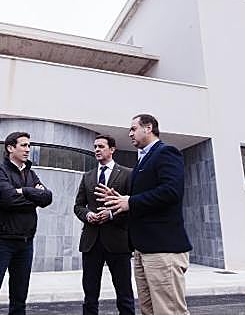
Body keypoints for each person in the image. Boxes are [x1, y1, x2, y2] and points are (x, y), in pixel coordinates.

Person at [97, 114, 192, 315]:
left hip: (163, 249)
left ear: (148, 128)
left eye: (133, 129)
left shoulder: (166, 152)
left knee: (168, 311)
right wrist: (120, 201)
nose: (130, 134)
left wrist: (130, 201)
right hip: (142, 250)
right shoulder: (142, 160)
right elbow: (142, 198)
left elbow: (171, 191)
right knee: (148, 310)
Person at [0, 132, 53, 315]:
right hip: (1, 241)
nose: (28, 150)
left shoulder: (31, 173)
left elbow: (47, 198)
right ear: (10, 148)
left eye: (29, 146)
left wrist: (23, 191)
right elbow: (8, 199)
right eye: (23, 145)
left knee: (19, 297)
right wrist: (33, 195)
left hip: (25, 242)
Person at [74, 135, 134, 315]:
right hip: (91, 242)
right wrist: (88, 215)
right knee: (90, 294)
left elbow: (133, 206)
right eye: (95, 147)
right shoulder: (88, 176)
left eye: (101, 146)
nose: (97, 150)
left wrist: (111, 214)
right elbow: (78, 206)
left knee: (124, 293)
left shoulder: (127, 174)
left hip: (118, 241)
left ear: (112, 149)